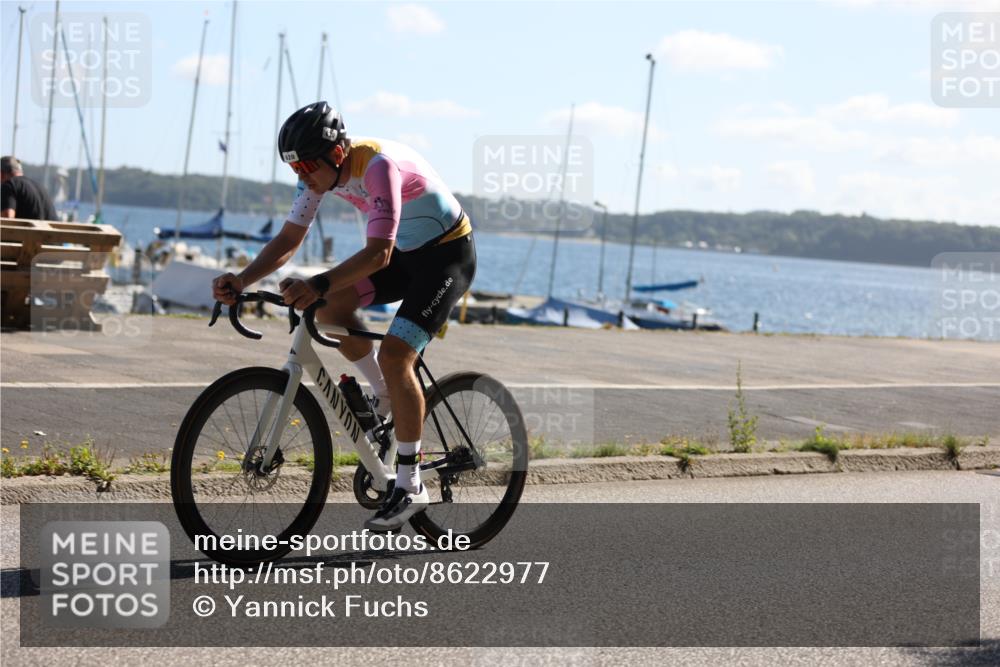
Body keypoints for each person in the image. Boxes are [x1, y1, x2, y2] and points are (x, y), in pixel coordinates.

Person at [212, 101, 475, 531]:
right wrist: (241, 279)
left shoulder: (377, 167)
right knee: (331, 307)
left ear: (336, 154)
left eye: (306, 167)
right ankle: (383, 394)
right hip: (404, 256)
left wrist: (317, 283)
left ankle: (410, 485)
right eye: (294, 169)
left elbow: (378, 254)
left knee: (396, 355)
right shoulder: (317, 176)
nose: (303, 178)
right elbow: (290, 238)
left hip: (445, 258)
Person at [1, 156, 57, 221]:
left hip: (27, 228)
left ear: (1, 174)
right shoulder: (40, 187)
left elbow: (7, 220)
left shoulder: (9, 185)